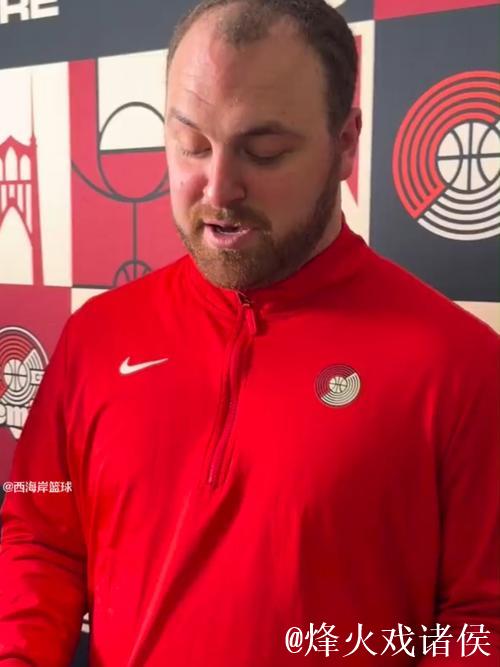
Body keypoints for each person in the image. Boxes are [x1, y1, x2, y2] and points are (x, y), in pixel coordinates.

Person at [0, 0, 498, 664]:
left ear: (346, 143)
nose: (218, 189)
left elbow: (482, 618)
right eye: (191, 144)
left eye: (264, 151)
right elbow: (39, 538)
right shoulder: (95, 336)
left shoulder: (462, 366)